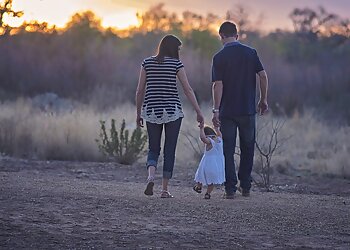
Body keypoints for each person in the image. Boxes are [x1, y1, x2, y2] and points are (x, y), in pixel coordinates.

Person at [136, 34, 204, 198]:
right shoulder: (176, 64)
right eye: (178, 48)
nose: (179, 51)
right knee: (169, 150)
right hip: (172, 111)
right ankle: (164, 190)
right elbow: (187, 90)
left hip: (151, 111)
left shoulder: (147, 63)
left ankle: (151, 176)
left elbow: (139, 90)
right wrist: (198, 111)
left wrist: (138, 113)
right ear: (173, 48)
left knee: (153, 148)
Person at [211, 21, 269, 199]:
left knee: (227, 150)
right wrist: (263, 99)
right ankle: (246, 186)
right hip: (247, 109)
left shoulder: (219, 57)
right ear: (237, 35)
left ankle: (230, 189)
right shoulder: (250, 53)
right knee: (247, 148)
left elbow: (217, 85)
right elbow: (263, 75)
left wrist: (216, 110)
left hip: (227, 112)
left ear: (221, 36)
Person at [193, 124, 225, 199]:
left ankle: (199, 187)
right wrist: (216, 128)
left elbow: (203, 138)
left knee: (200, 175)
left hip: (208, 163)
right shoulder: (219, 139)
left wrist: (201, 129)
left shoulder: (210, 141)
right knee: (211, 180)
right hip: (218, 164)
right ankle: (208, 193)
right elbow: (219, 133)